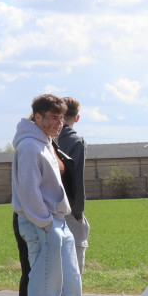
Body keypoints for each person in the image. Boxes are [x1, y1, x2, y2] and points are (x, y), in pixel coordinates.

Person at [11, 94, 100, 296]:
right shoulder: (29, 146)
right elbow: (28, 192)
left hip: (58, 222)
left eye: (61, 118)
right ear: (37, 117)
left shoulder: (46, 142)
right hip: (44, 224)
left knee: (70, 282)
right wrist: (46, 223)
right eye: (52, 117)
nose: (58, 123)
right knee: (46, 286)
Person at [57, 97, 90, 275]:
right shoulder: (76, 141)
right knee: (74, 269)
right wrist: (78, 211)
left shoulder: (44, 138)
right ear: (76, 118)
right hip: (68, 208)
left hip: (45, 209)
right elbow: (77, 179)